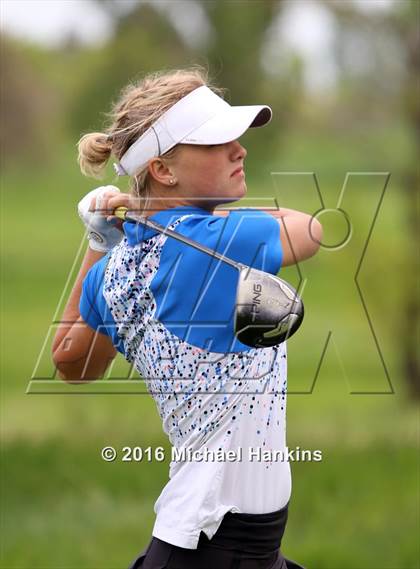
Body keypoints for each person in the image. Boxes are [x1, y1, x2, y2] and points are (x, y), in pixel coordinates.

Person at [52, 67, 322, 569]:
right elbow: (309, 228)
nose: (239, 150)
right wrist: (160, 212)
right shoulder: (215, 246)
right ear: (163, 169)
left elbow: (71, 361)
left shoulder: (116, 270)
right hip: (215, 546)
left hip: (209, 541)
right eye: (217, 143)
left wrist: (100, 240)